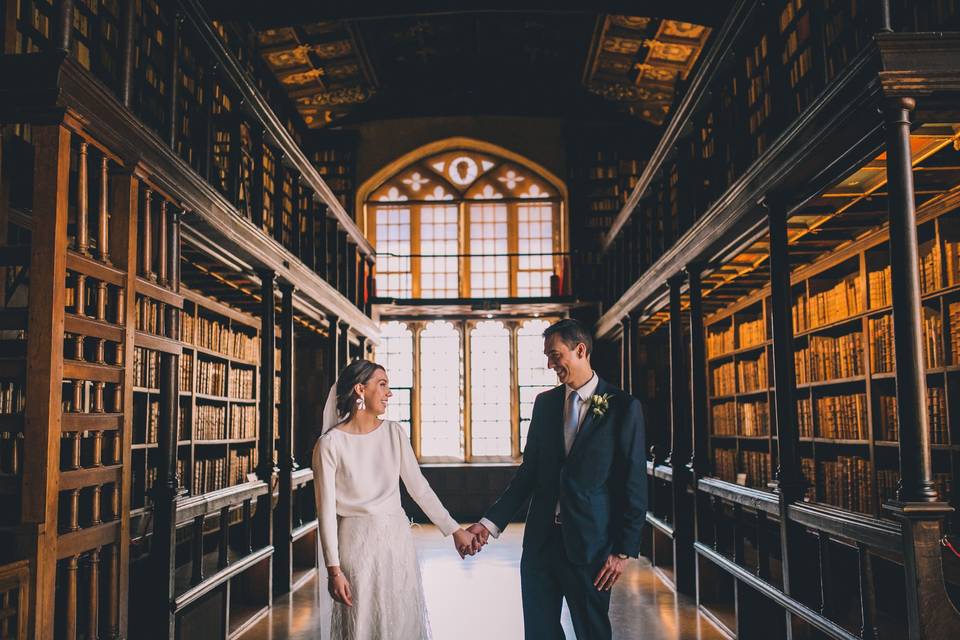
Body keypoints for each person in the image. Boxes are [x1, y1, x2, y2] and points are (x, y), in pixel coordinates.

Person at [468, 318, 648, 639]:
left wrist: (623, 551)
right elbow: (528, 475)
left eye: (555, 355)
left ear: (580, 350)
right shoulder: (545, 404)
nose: (550, 364)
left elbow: (633, 484)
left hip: (590, 547)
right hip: (540, 545)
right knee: (539, 632)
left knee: (591, 631)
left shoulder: (623, 407)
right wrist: (489, 523)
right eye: (548, 356)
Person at [312, 359, 480, 640]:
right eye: (382, 385)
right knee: (361, 624)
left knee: (400, 620)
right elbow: (326, 511)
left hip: (396, 542)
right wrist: (334, 570)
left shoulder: (394, 433)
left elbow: (420, 489)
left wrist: (454, 530)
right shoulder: (330, 444)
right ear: (360, 390)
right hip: (356, 547)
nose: (389, 392)